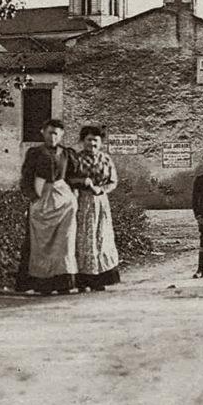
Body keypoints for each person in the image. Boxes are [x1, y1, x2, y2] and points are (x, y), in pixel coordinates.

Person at [17, 119, 79, 295]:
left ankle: (64, 282)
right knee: (40, 242)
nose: (53, 137)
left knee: (64, 242)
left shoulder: (67, 153)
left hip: (64, 201)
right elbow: (26, 177)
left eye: (57, 133)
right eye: (50, 132)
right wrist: (33, 198)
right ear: (42, 132)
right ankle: (42, 283)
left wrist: (74, 195)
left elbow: (74, 176)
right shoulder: (35, 153)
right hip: (42, 198)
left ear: (62, 135)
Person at [67, 124, 120, 292]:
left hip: (101, 202)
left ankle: (99, 277)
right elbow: (69, 178)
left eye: (96, 140)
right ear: (83, 141)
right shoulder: (76, 158)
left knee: (101, 236)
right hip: (82, 200)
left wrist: (102, 190)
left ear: (101, 142)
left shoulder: (106, 159)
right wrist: (83, 183)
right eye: (89, 140)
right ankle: (83, 279)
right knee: (83, 237)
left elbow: (113, 181)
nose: (92, 144)